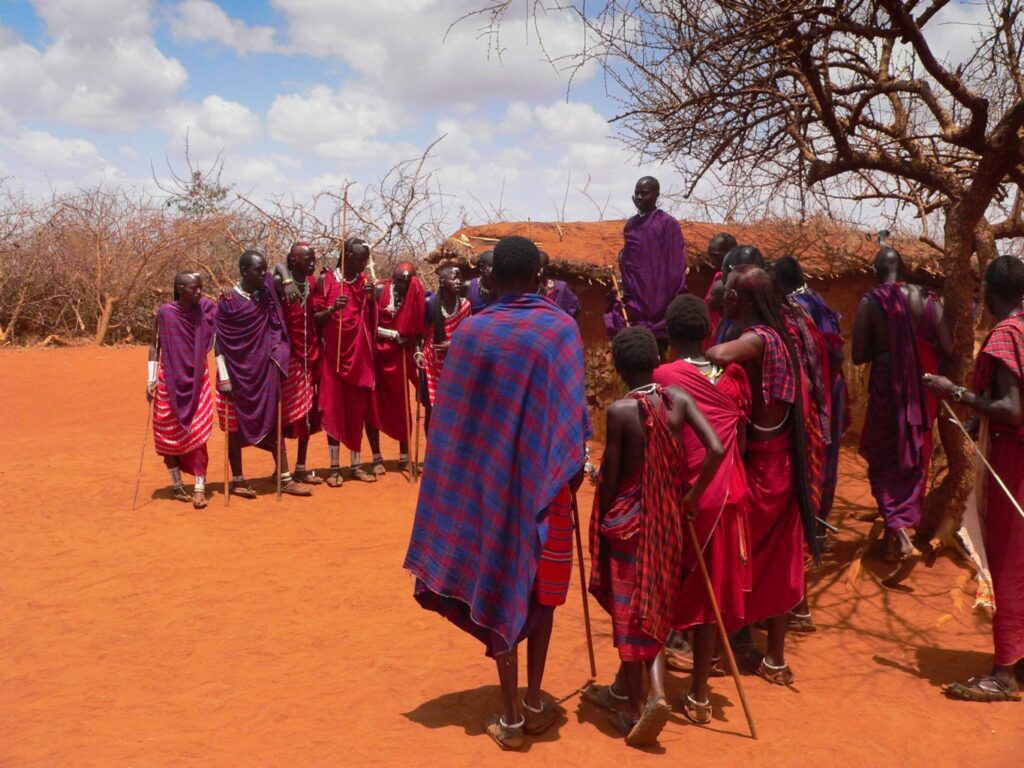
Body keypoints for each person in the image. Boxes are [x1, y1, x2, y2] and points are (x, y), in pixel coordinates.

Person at [404, 235, 590, 751]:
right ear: (537, 277)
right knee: (543, 595)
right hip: (545, 489)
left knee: (503, 582)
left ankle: (509, 717)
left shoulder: (471, 334)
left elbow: (453, 428)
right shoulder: (560, 330)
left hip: (488, 493)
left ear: (488, 280)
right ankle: (533, 701)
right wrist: (565, 473)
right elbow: (571, 421)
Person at [584, 326, 724, 745]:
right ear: (657, 360)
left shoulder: (621, 412)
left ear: (617, 367)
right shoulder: (678, 399)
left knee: (631, 616)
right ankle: (655, 694)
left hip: (630, 526)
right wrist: (692, 498)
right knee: (655, 611)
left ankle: (635, 706)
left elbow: (611, 477)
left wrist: (602, 515)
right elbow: (715, 449)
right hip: (668, 524)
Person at [706, 265, 818, 685]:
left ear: (743, 300)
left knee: (735, 553)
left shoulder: (758, 339)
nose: (723, 300)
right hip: (785, 465)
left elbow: (718, 356)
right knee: (779, 561)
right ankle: (772, 657)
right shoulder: (782, 335)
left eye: (730, 293)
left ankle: (713, 650)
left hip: (765, 469)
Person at [923, 255, 1024, 702]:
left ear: (989, 292)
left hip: (1015, 461)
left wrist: (955, 393)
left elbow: (1011, 409)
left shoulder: (1007, 334)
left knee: (1010, 561)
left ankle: (1004, 674)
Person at [653, 294, 752, 721]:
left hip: (684, 498)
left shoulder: (664, 374)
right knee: (710, 598)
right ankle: (699, 696)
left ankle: (646, 688)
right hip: (729, 495)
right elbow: (740, 444)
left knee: (660, 588)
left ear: (670, 336)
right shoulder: (733, 379)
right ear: (708, 333)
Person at [852, 247, 952, 565]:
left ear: (875, 273)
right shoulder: (929, 300)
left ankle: (896, 530)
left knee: (883, 456)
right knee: (914, 456)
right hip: (922, 391)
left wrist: (890, 349)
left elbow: (858, 354)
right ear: (905, 270)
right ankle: (902, 526)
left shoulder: (871, 302)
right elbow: (948, 346)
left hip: (886, 389)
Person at [215, 251, 312, 498]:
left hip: (263, 371)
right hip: (236, 375)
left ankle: (285, 477)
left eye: (263, 269)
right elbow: (219, 342)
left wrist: (288, 282)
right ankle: (237, 480)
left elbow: (281, 266)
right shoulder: (227, 301)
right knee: (235, 428)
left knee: (272, 420)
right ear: (244, 271)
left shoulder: (266, 290)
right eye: (258, 270)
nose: (264, 274)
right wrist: (224, 377)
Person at [146, 272, 216, 509]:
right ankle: (176, 485)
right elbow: (155, 345)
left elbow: (224, 316)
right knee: (168, 434)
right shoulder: (165, 314)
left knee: (198, 435)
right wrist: (150, 379)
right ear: (179, 288)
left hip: (197, 379)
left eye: (200, 288)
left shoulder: (205, 310)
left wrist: (227, 296)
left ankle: (199, 487)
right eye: (193, 288)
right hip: (169, 381)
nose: (199, 292)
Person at [312, 238, 378, 485]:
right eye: (360, 258)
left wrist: (370, 300)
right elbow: (314, 318)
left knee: (357, 410)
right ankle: (334, 468)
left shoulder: (364, 283)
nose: (363, 263)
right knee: (334, 409)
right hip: (333, 358)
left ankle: (356, 464)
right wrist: (331, 310)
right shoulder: (326, 280)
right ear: (347, 256)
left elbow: (371, 317)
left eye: (365, 259)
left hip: (359, 358)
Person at [605, 176, 687, 351]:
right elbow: (630, 262)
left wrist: (664, 298)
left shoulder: (667, 223)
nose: (639, 197)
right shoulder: (631, 225)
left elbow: (675, 264)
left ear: (656, 195)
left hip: (658, 299)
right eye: (637, 193)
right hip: (634, 302)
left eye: (645, 193)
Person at [366, 261, 426, 473]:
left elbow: (418, 328)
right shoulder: (379, 290)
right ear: (393, 277)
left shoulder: (416, 293)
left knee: (403, 406)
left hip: (402, 356)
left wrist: (418, 351)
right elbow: (368, 323)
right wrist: (393, 335)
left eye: (408, 282)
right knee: (372, 406)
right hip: (378, 355)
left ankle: (404, 456)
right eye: (400, 281)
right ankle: (376, 457)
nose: (404, 286)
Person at [273, 242, 323, 485]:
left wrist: (333, 309)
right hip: (287, 357)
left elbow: (314, 316)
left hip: (309, 354)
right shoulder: (280, 283)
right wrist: (285, 279)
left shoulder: (313, 284)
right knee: (283, 414)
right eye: (307, 259)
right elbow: (276, 267)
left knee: (306, 412)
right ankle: (280, 470)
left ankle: (301, 467)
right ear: (294, 262)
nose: (312, 263)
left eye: (313, 258)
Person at [421, 265, 472, 421]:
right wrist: (418, 353)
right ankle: (432, 444)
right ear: (442, 282)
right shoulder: (429, 304)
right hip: (431, 364)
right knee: (432, 408)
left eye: (460, 278)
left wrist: (453, 344)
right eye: (453, 278)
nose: (458, 281)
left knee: (456, 408)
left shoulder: (465, 306)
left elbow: (469, 335)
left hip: (456, 363)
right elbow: (418, 332)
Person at [703, 232, 737, 343]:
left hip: (726, 342)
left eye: (715, 255)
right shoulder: (719, 277)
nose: (711, 260)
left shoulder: (736, 282)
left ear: (730, 253)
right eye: (710, 255)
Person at [538, 250, 580, 318]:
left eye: (542, 267)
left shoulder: (560, 288)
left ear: (547, 269)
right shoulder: (528, 288)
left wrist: (563, 321)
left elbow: (575, 308)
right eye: (537, 267)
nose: (540, 271)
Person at [465, 249, 496, 314]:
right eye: (491, 265)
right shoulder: (469, 287)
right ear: (482, 268)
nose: (495, 269)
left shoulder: (503, 287)